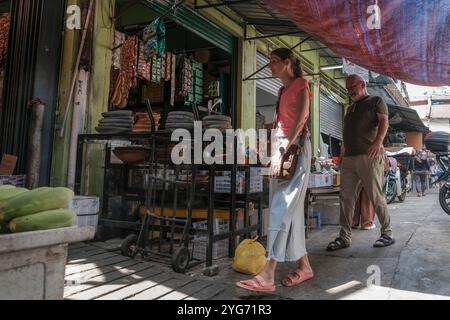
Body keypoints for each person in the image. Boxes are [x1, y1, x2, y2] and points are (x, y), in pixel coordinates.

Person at [236, 48, 313, 292]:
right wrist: (269, 148)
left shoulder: (301, 85)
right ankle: (305, 266)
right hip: (283, 150)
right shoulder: (281, 91)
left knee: (282, 208)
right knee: (289, 210)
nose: (270, 66)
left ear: (288, 63)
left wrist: (282, 151)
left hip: (295, 151)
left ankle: (268, 273)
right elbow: (282, 124)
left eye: (274, 62)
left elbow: (300, 121)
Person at [327, 74, 395, 251]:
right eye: (348, 88)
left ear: (362, 84)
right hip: (349, 159)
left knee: (375, 196)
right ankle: (344, 237)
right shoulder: (351, 108)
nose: (350, 91)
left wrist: (378, 142)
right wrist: (342, 153)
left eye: (352, 87)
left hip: (370, 156)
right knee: (346, 198)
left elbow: (384, 122)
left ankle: (387, 233)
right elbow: (347, 133)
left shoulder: (376, 101)